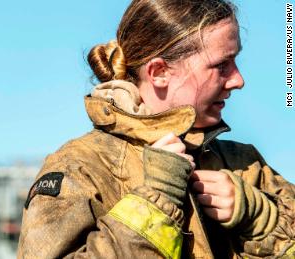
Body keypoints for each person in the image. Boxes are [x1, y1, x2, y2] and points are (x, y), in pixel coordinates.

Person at [17, 0, 295, 258]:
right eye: (221, 65)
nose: (238, 80)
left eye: (235, 61)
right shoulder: (79, 168)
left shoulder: (247, 165)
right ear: (159, 72)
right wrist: (155, 204)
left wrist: (264, 221)